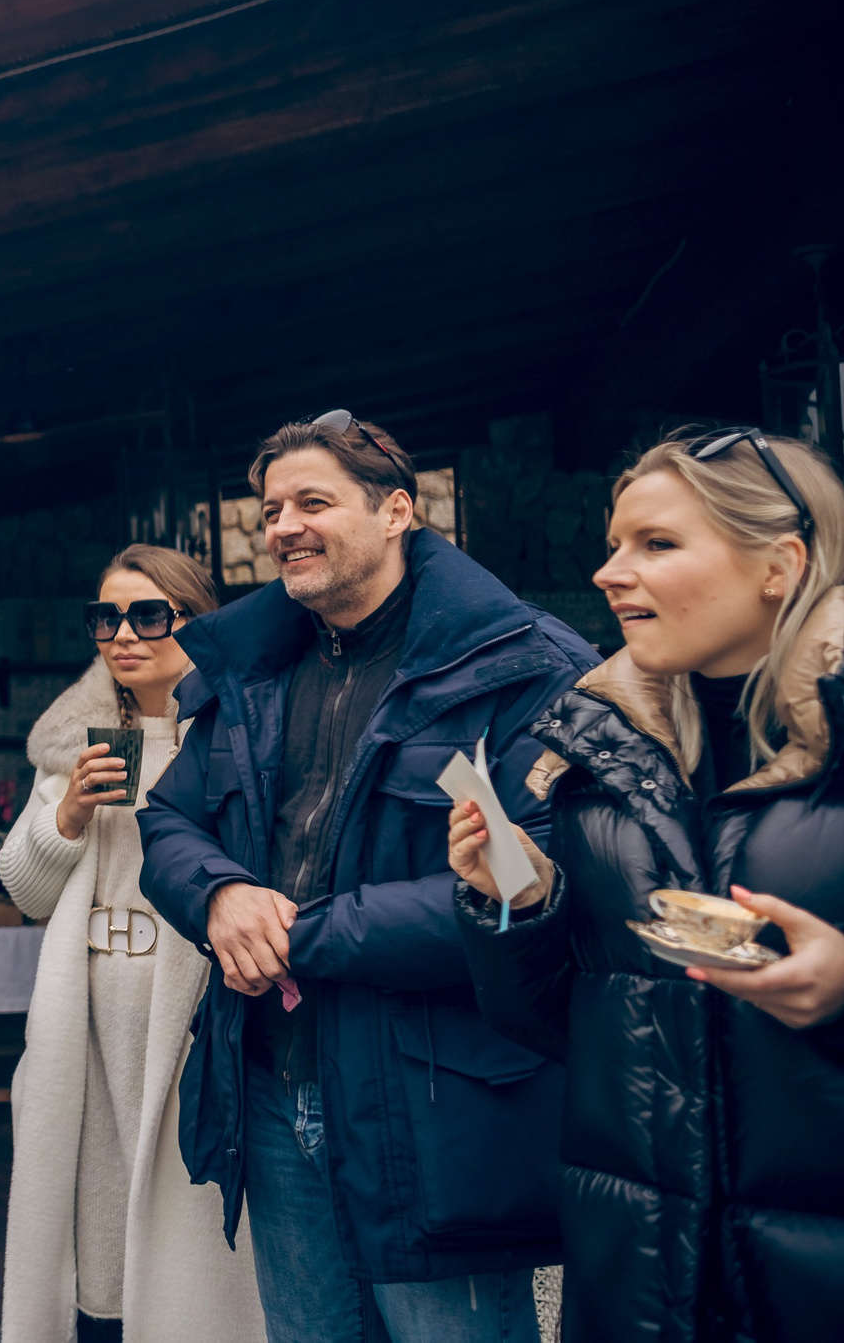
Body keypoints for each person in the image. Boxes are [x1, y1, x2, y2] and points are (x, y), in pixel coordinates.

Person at [137, 410, 596, 1343]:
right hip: (272, 1086)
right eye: (270, 510)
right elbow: (170, 817)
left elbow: (549, 870)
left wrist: (301, 934)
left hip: (436, 1101)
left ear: (398, 511)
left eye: (314, 501)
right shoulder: (251, 667)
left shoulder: (524, 665)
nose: (284, 527)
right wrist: (220, 894)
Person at [449, 429, 844, 1343]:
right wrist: (519, 900)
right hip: (638, 1286)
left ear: (779, 566)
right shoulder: (597, 762)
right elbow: (571, 1027)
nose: (608, 572)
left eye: (657, 544)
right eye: (613, 541)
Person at [0, 545, 262, 1343]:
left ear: (194, 621)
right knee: (93, 1231)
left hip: (187, 1012)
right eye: (106, 617)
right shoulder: (76, 744)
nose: (124, 634)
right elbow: (26, 889)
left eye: (150, 614)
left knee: (185, 1234)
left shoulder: (239, 737)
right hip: (88, 1014)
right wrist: (68, 812)